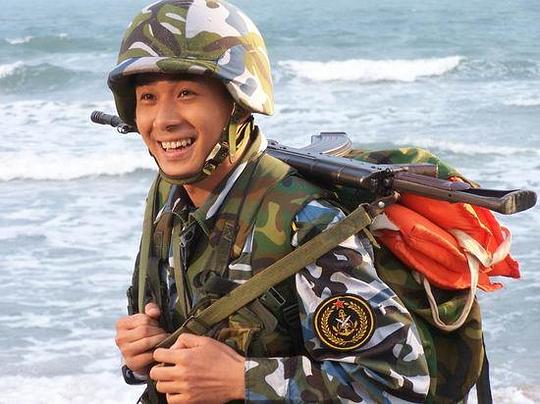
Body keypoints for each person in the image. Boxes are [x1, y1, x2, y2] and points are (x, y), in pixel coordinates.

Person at [110, 0, 429, 402]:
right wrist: (144, 353)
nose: (163, 120)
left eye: (187, 93)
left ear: (237, 104)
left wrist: (241, 379)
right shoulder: (167, 202)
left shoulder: (307, 222)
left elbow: (396, 383)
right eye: (148, 98)